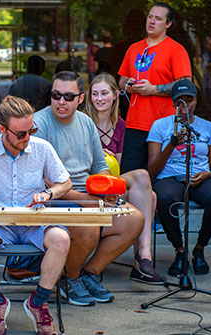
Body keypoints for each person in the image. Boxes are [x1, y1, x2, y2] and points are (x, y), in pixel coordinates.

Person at [0, 96, 71, 334]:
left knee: (61, 238)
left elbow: (65, 182)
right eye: (21, 134)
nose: (28, 138)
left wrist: (48, 194)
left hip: (34, 220)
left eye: (32, 130)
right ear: (2, 130)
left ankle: (38, 302)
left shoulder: (42, 148)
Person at [34, 71, 144, 306]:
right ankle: (69, 279)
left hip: (88, 195)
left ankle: (88, 274)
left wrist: (105, 191)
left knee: (135, 219)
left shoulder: (85, 122)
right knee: (89, 227)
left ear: (80, 98)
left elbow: (100, 166)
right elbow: (43, 180)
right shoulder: (39, 123)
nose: (61, 102)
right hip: (55, 199)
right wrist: (85, 199)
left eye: (68, 96)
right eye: (56, 95)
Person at [84, 73, 166, 284]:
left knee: (149, 191)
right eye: (94, 94)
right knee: (146, 187)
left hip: (111, 182)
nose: (99, 98)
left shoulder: (121, 125)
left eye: (104, 93)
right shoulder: (83, 122)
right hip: (87, 184)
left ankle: (142, 261)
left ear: (115, 95)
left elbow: (117, 169)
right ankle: (142, 262)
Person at [146, 79, 211, 276]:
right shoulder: (160, 126)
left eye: (188, 100)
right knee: (164, 198)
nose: (184, 106)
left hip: (200, 177)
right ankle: (179, 249)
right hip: (169, 177)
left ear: (196, 101)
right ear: (173, 103)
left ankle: (199, 248)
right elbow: (152, 171)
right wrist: (172, 144)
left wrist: (207, 174)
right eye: (179, 101)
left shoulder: (208, 128)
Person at [117, 2, 191, 174]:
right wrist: (130, 85)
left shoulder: (176, 50)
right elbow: (121, 80)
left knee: (159, 176)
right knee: (129, 174)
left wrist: (153, 89)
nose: (151, 21)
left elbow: (185, 85)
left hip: (163, 124)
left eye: (158, 19)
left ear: (168, 24)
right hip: (135, 123)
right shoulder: (134, 48)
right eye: (150, 17)